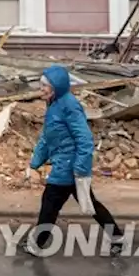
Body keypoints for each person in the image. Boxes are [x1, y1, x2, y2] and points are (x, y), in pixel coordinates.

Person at [26, 64, 123, 256]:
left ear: (57, 87)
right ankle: (118, 238)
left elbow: (85, 139)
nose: (41, 89)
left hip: (69, 166)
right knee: (89, 204)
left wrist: (79, 168)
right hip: (66, 164)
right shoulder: (54, 104)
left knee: (50, 203)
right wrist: (35, 162)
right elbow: (47, 137)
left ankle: (37, 244)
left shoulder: (69, 106)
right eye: (41, 84)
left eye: (46, 85)